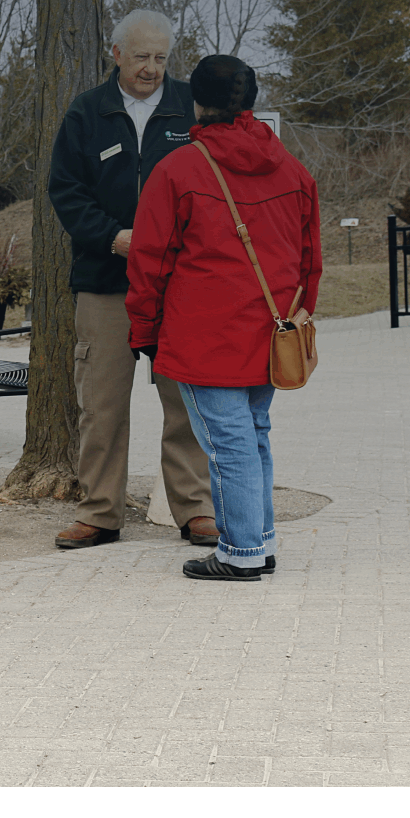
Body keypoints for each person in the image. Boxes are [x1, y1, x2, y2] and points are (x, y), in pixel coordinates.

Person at [124, 55, 322, 581]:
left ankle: (241, 553)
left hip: (203, 337)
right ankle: (261, 539)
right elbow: (310, 258)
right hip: (271, 330)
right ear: (251, 101)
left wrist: (142, 330)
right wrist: (300, 314)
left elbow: (150, 260)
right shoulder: (292, 168)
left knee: (228, 444)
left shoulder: (178, 171)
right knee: (253, 434)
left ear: (197, 102)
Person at [45, 10, 216, 549]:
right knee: (101, 404)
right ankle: (99, 512)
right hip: (104, 281)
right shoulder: (85, 114)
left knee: (186, 401)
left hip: (180, 284)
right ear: (115, 54)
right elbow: (66, 191)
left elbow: (217, 182)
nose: (151, 68)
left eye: (161, 58)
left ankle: (195, 511)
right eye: (141, 56)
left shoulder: (193, 108)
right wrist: (113, 238)